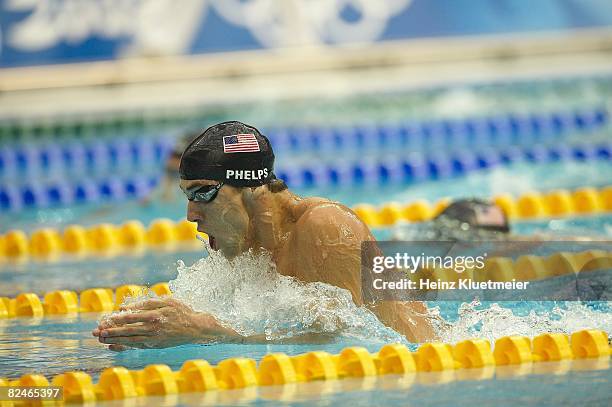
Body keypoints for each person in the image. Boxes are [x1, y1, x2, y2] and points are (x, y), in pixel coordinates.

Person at [93, 121, 436, 351]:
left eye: (202, 193)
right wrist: (156, 329)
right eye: (188, 196)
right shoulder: (246, 244)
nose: (191, 214)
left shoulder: (325, 226)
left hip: (419, 372)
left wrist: (206, 332)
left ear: (251, 190)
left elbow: (346, 339)